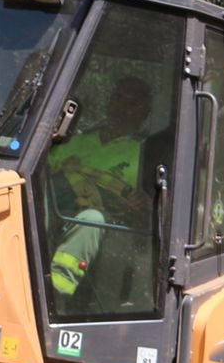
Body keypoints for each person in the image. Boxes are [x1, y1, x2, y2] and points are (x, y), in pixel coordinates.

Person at [47, 74, 154, 301]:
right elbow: (43, 174)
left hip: (110, 225)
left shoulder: (145, 152)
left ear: (145, 113)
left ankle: (54, 293)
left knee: (92, 219)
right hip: (58, 208)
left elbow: (151, 205)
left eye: (132, 103)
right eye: (118, 98)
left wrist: (143, 203)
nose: (123, 107)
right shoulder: (76, 140)